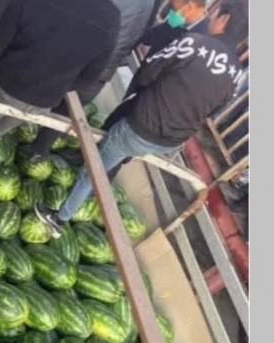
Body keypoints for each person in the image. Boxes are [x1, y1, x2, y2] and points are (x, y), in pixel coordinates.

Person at [35, 0, 249, 238]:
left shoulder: (194, 43)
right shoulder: (237, 75)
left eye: (215, 13)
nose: (210, 16)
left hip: (142, 126)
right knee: (117, 154)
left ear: (224, 20)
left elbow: (148, 73)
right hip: (171, 141)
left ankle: (59, 219)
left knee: (94, 170)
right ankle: (94, 183)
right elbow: (213, 111)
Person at [0, 0, 122, 173]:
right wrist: (58, 87)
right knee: (7, 123)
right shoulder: (112, 17)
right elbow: (91, 76)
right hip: (43, 101)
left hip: (6, 83)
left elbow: (1, 40)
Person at [20, 0, 156, 163]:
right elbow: (144, 34)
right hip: (105, 67)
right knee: (68, 108)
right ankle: (39, 150)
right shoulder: (150, 3)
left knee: (48, 86)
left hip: (85, 55)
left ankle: (19, 122)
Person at [137, 0, 209, 58]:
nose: (171, 12)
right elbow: (150, 36)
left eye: (174, 8)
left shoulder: (203, 43)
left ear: (188, 8)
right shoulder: (175, 21)